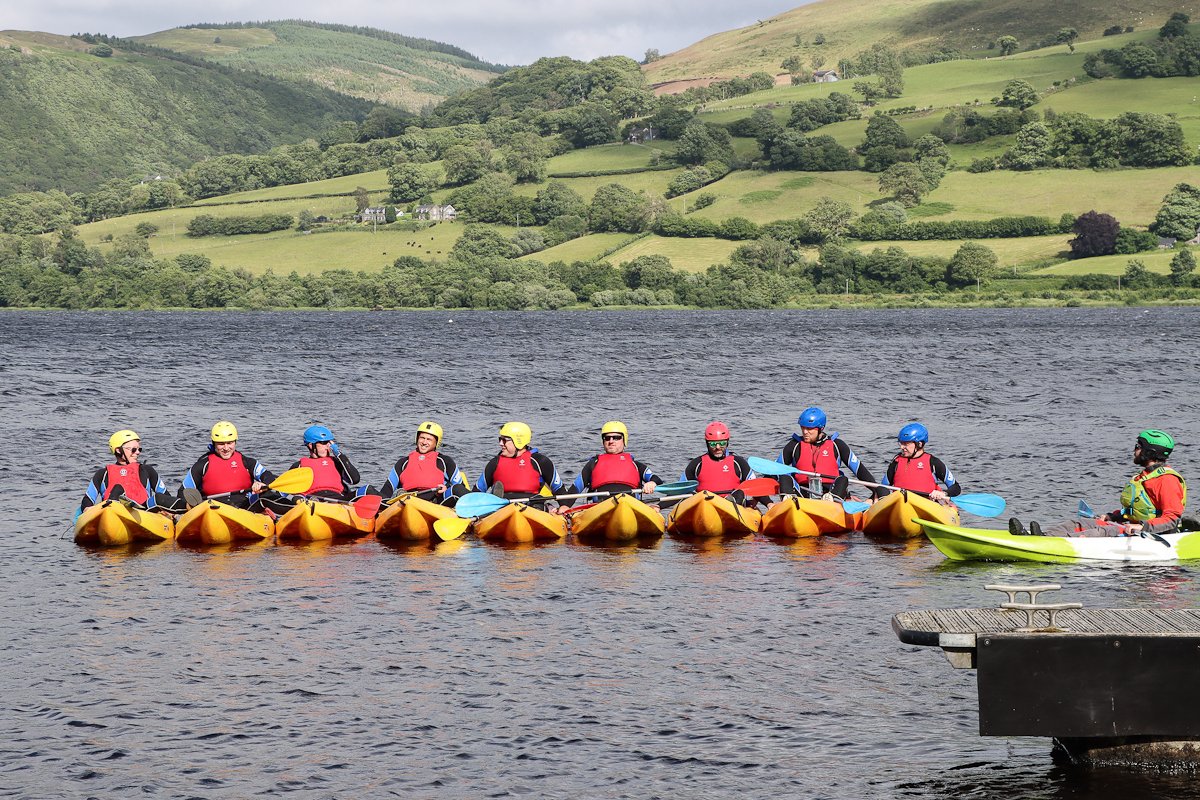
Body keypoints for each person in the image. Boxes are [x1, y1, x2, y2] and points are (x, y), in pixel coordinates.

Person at [1011, 429, 1186, 537]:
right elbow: (1138, 508)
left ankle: (1049, 545)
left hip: (1151, 534)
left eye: (1138, 446)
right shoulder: (1144, 477)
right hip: (1128, 527)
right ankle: (1038, 537)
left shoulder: (1167, 480)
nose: (1134, 450)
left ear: (1150, 452)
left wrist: (1141, 527)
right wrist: (1113, 516)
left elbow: (1171, 519)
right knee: (1077, 523)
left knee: (1101, 532)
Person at [180, 421, 288, 513]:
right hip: (212, 510)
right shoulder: (202, 465)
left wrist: (262, 484)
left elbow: (267, 475)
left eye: (229, 443)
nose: (226, 448)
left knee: (267, 494)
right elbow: (183, 491)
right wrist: (190, 506)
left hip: (245, 508)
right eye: (221, 444)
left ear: (235, 442)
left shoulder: (247, 462)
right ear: (214, 444)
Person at [77, 429, 185, 518]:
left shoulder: (147, 470)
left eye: (139, 449)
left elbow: (165, 495)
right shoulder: (102, 474)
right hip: (112, 512)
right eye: (133, 449)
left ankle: (187, 506)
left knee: (157, 498)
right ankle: (115, 506)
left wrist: (166, 512)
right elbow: (87, 500)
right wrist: (89, 511)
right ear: (118, 450)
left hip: (144, 511)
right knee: (117, 489)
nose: (138, 452)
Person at [778, 407, 876, 500]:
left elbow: (860, 470)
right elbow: (774, 470)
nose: (805, 432)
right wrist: (768, 502)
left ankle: (832, 500)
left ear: (821, 428)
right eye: (802, 428)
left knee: (843, 479)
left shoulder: (837, 445)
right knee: (785, 477)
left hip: (831, 493)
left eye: (809, 429)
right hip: (802, 495)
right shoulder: (794, 445)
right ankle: (789, 502)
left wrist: (877, 493)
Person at [562, 421, 664, 508]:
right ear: (603, 442)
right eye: (607, 438)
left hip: (631, 506)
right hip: (601, 508)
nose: (611, 441)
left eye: (616, 437)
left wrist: (651, 483)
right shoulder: (592, 464)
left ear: (624, 440)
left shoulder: (636, 465)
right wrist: (564, 508)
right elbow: (574, 490)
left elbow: (656, 479)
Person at [379, 421, 469, 504]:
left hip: (437, 502)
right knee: (367, 489)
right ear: (417, 439)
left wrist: (447, 487)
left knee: (458, 489)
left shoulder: (445, 461)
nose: (424, 442)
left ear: (436, 443)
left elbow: (460, 486)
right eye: (422, 438)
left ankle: (478, 511)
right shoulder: (403, 463)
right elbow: (386, 490)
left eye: (429, 439)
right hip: (408, 502)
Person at [474, 421, 564, 503]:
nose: (501, 443)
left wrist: (563, 507)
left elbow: (560, 490)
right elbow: (476, 492)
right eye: (500, 439)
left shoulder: (540, 461)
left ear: (518, 441)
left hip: (531, 506)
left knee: (538, 503)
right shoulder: (495, 463)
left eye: (504, 440)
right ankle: (496, 499)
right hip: (502, 508)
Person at [879, 423, 961, 505]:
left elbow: (956, 487)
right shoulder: (896, 462)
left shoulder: (933, 462)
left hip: (928, 505)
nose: (902, 447)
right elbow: (883, 487)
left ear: (919, 444)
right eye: (901, 443)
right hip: (901, 505)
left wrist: (943, 493)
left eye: (906, 444)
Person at [287, 425, 363, 501]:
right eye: (324, 443)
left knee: (368, 489)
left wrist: (340, 455)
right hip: (312, 501)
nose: (328, 447)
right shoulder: (299, 465)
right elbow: (287, 490)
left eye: (329, 443)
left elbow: (354, 480)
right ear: (311, 445)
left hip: (339, 500)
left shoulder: (337, 462)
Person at [681, 421, 755, 495]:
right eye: (713, 444)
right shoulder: (696, 464)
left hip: (732, 503)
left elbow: (755, 487)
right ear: (707, 444)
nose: (718, 447)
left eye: (722, 443)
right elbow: (681, 488)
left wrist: (767, 503)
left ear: (727, 442)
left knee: (739, 494)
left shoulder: (739, 463)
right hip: (704, 502)